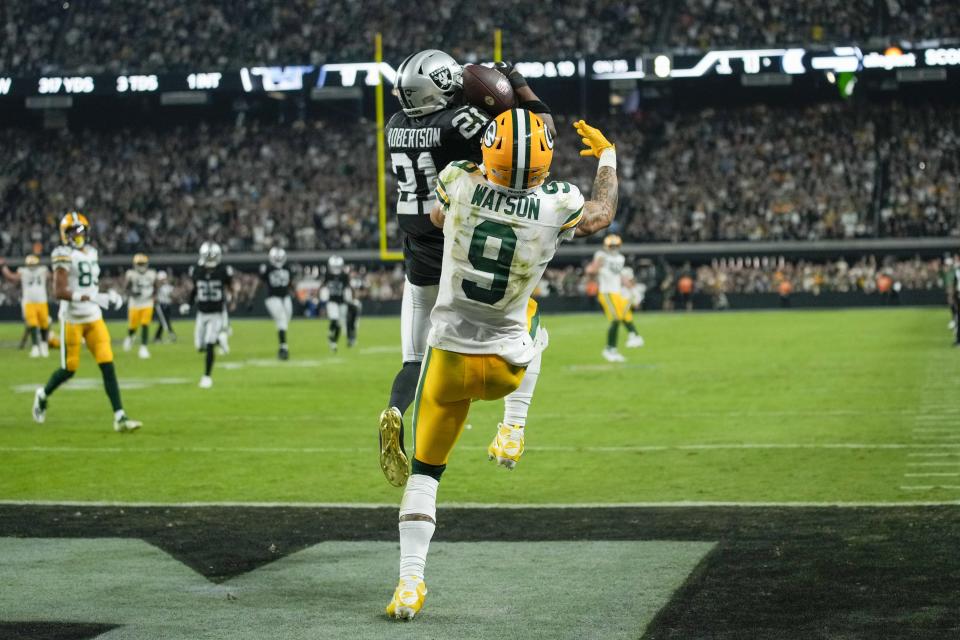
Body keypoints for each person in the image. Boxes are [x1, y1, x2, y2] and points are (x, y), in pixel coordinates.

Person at [384, 114, 619, 620]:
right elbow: (601, 213)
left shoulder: (458, 181)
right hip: (506, 363)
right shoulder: (558, 201)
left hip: (446, 362)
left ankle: (408, 586)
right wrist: (607, 156)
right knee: (535, 319)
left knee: (425, 476)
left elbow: (436, 218)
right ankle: (512, 427)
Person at [378, 49, 555, 488]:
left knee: (414, 357)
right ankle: (512, 423)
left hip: (416, 249)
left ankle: (396, 410)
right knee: (525, 323)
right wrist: (511, 85)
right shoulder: (459, 122)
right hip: (460, 245)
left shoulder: (395, 126)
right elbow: (529, 138)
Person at [32, 212, 142, 432]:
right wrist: (91, 297)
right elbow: (59, 291)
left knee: (107, 365)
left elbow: (89, 285)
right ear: (65, 234)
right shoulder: (62, 254)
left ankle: (120, 417)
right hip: (72, 319)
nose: (78, 235)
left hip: (93, 317)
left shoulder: (92, 252)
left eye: (81, 230)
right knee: (69, 369)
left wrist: (108, 295)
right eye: (73, 231)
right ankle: (42, 395)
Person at [181, 242, 233, 388]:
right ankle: (219, 340)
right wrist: (188, 303)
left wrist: (230, 298)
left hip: (216, 313)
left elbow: (230, 287)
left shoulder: (223, 270)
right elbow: (195, 290)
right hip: (202, 313)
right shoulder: (197, 270)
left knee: (209, 344)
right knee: (200, 346)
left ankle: (207, 377)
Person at [586, 234, 644, 362]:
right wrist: (597, 266)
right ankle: (610, 349)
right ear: (606, 246)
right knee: (617, 318)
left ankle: (630, 338)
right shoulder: (601, 256)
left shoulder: (620, 258)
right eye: (611, 246)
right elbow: (590, 271)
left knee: (623, 316)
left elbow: (619, 275)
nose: (613, 248)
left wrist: (631, 288)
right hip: (606, 292)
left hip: (617, 292)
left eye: (615, 246)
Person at [0, 254, 53, 358]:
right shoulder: (25, 271)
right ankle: (35, 347)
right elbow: (12, 278)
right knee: (33, 324)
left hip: (41, 301)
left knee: (44, 324)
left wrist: (3, 266)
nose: (32, 266)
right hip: (29, 301)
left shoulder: (42, 270)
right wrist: (3, 266)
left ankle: (43, 346)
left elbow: (11, 277)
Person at [259, 247, 294, 360]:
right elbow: (260, 282)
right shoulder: (267, 268)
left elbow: (290, 283)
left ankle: (283, 344)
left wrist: (294, 292)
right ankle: (283, 348)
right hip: (273, 298)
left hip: (285, 297)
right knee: (282, 320)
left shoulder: (287, 267)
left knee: (286, 320)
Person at [123, 253, 157, 359]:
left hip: (147, 302)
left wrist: (154, 296)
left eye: (143, 263)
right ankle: (130, 336)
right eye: (139, 263)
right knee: (133, 326)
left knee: (145, 324)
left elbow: (156, 287)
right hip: (135, 303)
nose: (141, 266)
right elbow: (126, 289)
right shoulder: (131, 274)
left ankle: (143, 348)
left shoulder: (152, 274)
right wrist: (133, 294)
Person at [321, 255, 351, 352]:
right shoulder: (328, 275)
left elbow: (347, 288)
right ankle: (330, 332)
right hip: (332, 301)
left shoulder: (344, 276)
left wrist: (349, 298)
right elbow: (323, 286)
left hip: (342, 301)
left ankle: (333, 342)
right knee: (334, 318)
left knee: (340, 324)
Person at [152, 270, 177, 343]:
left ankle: (157, 337)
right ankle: (171, 334)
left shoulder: (167, 286)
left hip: (167, 305)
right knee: (165, 321)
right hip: (161, 305)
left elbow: (171, 294)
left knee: (163, 322)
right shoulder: (157, 287)